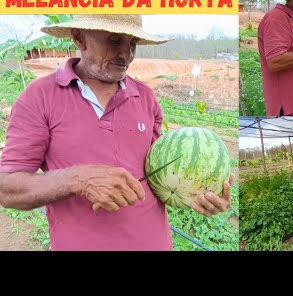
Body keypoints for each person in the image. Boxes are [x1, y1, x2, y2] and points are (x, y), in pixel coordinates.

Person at [0, 15, 234, 251]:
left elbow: (159, 177)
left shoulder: (145, 97)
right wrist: (77, 180)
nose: (126, 55)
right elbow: (7, 189)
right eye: (114, 40)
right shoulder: (39, 97)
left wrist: (198, 192)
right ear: (79, 38)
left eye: (131, 43)